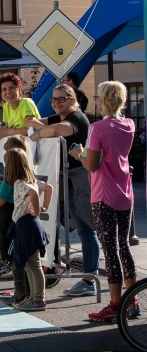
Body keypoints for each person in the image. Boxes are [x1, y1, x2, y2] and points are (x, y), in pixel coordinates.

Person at [70, 81, 138, 323]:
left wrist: (79, 154)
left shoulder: (97, 128)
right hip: (124, 191)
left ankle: (115, 304)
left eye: (98, 97)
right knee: (123, 246)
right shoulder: (129, 124)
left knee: (110, 250)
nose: (96, 101)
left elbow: (92, 164)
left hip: (103, 193)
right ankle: (132, 301)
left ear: (105, 100)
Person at [27, 83, 100, 298]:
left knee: (87, 230)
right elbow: (31, 122)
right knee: (61, 224)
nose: (57, 103)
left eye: (62, 99)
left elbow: (57, 130)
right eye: (54, 99)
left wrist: (39, 132)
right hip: (64, 180)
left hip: (79, 179)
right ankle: (57, 265)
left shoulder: (76, 118)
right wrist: (36, 126)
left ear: (73, 99)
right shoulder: (61, 116)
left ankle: (89, 281)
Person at [0, 146, 52, 312]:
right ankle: (33, 297)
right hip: (28, 224)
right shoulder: (31, 180)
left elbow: (33, 193)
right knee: (29, 264)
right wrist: (44, 206)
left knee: (33, 264)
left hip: (26, 224)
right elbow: (48, 188)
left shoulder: (19, 183)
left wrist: (36, 211)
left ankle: (38, 299)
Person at [0, 73, 39, 138]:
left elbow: (31, 129)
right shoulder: (6, 106)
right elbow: (6, 128)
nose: (8, 92)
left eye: (11, 88)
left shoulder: (26, 103)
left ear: (19, 89)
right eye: (4, 89)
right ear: (0, 94)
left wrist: (8, 132)